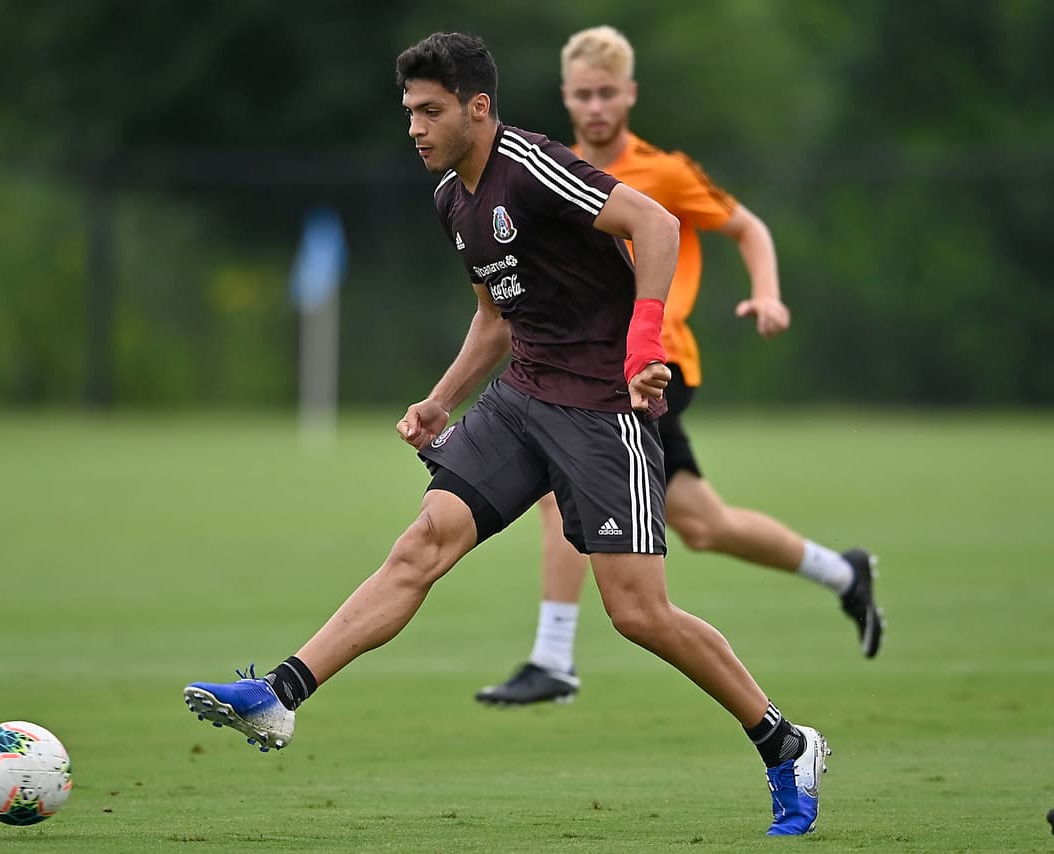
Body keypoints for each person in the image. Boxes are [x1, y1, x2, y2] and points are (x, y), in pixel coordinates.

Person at [184, 32, 830, 836]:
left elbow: (657, 223)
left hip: (603, 409)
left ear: (478, 107)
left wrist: (643, 345)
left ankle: (786, 744)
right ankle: (280, 693)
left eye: (430, 111)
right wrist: (441, 401)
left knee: (639, 614)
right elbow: (495, 319)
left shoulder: (530, 165)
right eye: (409, 112)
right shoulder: (451, 200)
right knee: (422, 543)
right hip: (521, 397)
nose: (415, 128)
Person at [476, 26, 885, 707]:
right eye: (584, 94)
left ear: (630, 94)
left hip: (655, 368)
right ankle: (844, 573)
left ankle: (553, 659)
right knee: (702, 523)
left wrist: (767, 293)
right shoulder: (553, 171)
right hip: (587, 364)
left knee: (556, 485)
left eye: (608, 93)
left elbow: (748, 227)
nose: (596, 106)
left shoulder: (665, 172)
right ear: (565, 97)